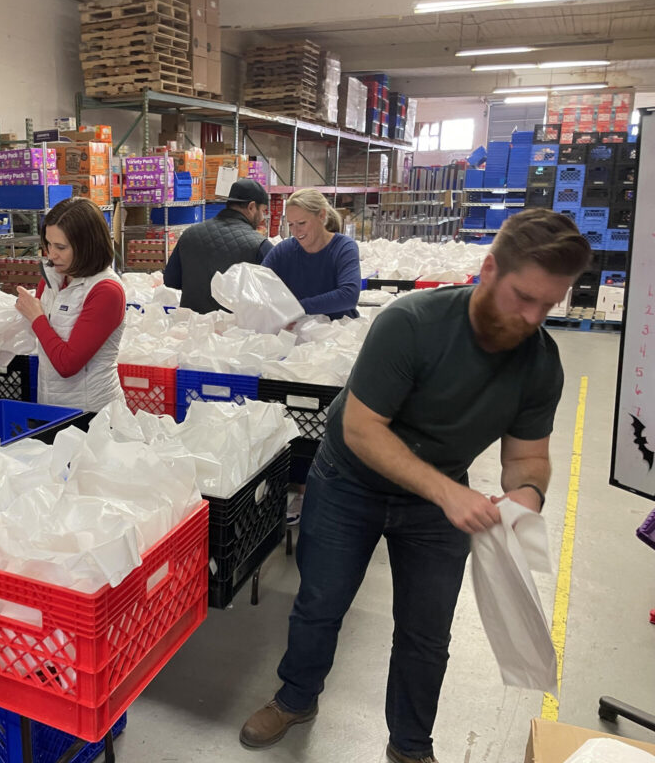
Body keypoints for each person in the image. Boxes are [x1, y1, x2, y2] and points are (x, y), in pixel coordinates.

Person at [239, 209, 592, 763]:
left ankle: (409, 746)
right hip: (349, 484)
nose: (531, 317)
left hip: (437, 505)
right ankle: (296, 697)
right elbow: (361, 430)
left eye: (548, 304)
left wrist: (526, 494)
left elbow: (528, 456)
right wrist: (448, 493)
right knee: (319, 604)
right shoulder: (413, 324)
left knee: (426, 634)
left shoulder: (539, 363)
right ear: (489, 268)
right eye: (523, 297)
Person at [14, 197, 126, 416]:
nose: (51, 254)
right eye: (48, 244)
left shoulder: (106, 291)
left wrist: (36, 317)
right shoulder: (52, 279)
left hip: (93, 414)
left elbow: (68, 364)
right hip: (51, 406)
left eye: (61, 247)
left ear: (87, 245)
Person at [163, 178, 274, 314]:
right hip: (236, 331)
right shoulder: (260, 245)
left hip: (192, 328)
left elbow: (170, 281)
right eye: (263, 210)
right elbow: (273, 297)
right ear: (251, 207)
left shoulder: (189, 234)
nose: (262, 217)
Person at [261, 188, 360, 320]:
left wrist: (296, 309)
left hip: (338, 334)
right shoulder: (283, 251)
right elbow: (257, 284)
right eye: (291, 225)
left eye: (302, 223)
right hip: (299, 334)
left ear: (321, 215)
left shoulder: (343, 248)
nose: (295, 231)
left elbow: (348, 296)